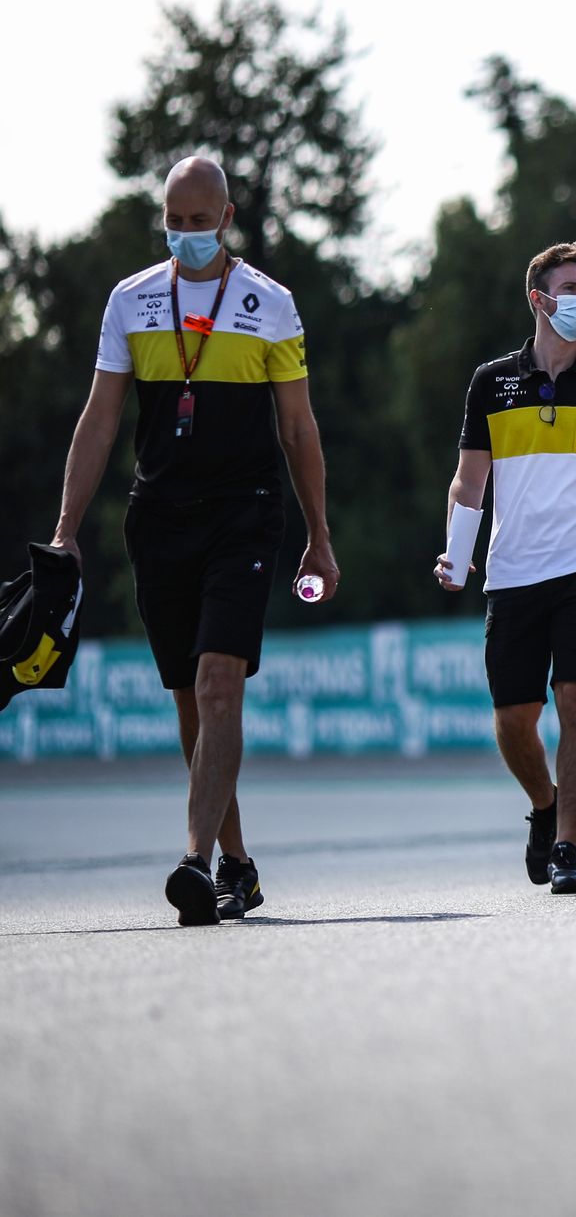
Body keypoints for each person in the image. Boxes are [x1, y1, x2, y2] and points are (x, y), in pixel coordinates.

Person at [49, 156, 339, 926]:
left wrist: (319, 534)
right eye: (174, 221)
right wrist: (66, 529)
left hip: (245, 513)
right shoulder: (132, 299)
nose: (186, 234)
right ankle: (236, 863)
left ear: (227, 217)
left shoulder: (270, 303)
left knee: (218, 685)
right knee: (190, 700)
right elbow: (100, 419)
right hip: (159, 515)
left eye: (200, 221)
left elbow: (298, 428)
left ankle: (194, 862)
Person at [436, 241, 576, 895]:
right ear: (539, 299)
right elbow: (469, 481)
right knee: (513, 719)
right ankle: (544, 804)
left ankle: (567, 848)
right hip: (513, 571)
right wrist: (457, 550)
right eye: (572, 288)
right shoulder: (490, 382)